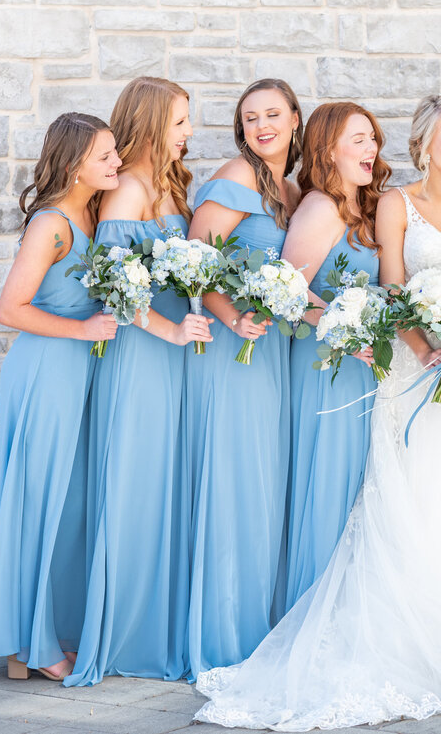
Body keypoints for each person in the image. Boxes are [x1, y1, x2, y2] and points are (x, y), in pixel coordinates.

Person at [194, 95, 441, 730]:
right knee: (418, 492)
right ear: (424, 146)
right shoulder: (394, 204)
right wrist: (427, 348)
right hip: (412, 364)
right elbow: (396, 287)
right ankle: (419, 629)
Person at [65, 77, 211, 686]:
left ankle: (157, 624)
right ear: (152, 125)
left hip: (174, 351)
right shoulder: (126, 189)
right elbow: (113, 287)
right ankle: (124, 631)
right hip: (141, 352)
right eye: (180, 122)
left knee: (165, 482)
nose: (188, 132)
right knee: (136, 479)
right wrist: (172, 332)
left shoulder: (169, 184)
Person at [0, 113, 120, 681]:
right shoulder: (53, 224)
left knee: (70, 505)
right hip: (46, 370)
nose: (116, 163)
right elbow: (11, 309)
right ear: (74, 161)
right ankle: (31, 645)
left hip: (79, 370)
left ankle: (41, 636)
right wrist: (83, 330)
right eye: (105, 156)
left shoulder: (94, 212)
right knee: (40, 501)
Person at [184, 78, 303, 679]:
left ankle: (257, 625)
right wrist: (232, 316)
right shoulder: (235, 175)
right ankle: (223, 633)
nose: (262, 126)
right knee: (235, 480)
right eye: (251, 117)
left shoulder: (289, 188)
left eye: (273, 114)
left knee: (263, 482)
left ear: (294, 119)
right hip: (235, 352)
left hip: (274, 352)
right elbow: (193, 261)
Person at [281, 102, 387, 612]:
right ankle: (317, 612)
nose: (372, 148)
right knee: (332, 480)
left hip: (362, 363)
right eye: (359, 139)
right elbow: (288, 289)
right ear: (327, 150)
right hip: (330, 364)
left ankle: (355, 609)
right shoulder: (321, 206)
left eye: (373, 139)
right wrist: (346, 330)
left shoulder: (363, 206)